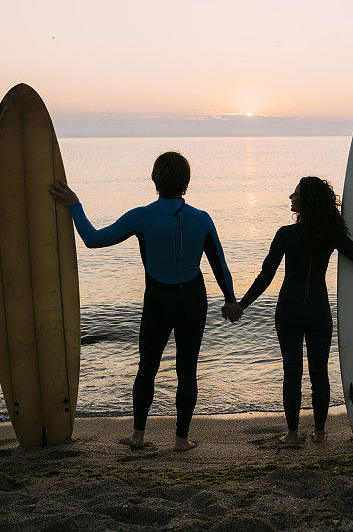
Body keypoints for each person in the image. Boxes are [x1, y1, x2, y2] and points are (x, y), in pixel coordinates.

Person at [48, 152, 242, 451]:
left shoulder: (143, 216)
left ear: (154, 179)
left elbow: (93, 239)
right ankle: (181, 439)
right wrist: (231, 300)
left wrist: (74, 204)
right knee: (187, 370)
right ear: (187, 182)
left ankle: (138, 436)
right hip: (192, 298)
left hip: (158, 299)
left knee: (147, 367)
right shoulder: (202, 219)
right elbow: (220, 265)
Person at [225, 176, 353, 444]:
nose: (290, 197)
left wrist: (241, 305)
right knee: (319, 374)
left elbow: (265, 277)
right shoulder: (331, 234)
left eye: (295, 194)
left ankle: (292, 434)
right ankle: (319, 433)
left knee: (291, 373)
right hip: (318, 312)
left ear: (305, 202)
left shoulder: (285, 234)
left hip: (289, 311)